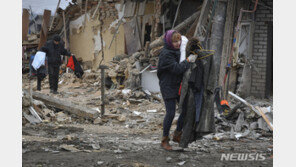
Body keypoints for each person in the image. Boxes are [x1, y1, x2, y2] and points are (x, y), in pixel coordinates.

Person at [157, 30, 197, 151]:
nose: (178, 43)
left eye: (179, 40)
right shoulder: (166, 54)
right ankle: (164, 139)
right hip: (168, 86)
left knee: (185, 109)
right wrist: (188, 61)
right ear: (169, 41)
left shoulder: (177, 51)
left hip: (177, 86)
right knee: (171, 113)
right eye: (174, 41)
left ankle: (177, 133)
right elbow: (177, 68)